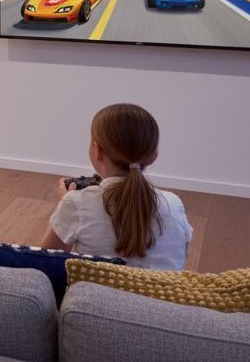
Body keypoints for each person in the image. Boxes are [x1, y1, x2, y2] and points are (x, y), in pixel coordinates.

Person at [41, 102, 192, 269]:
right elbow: (179, 256)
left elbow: (46, 260)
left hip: (97, 294)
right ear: (153, 157)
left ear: (96, 151)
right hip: (160, 294)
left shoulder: (76, 204)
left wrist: (65, 205)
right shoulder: (174, 203)